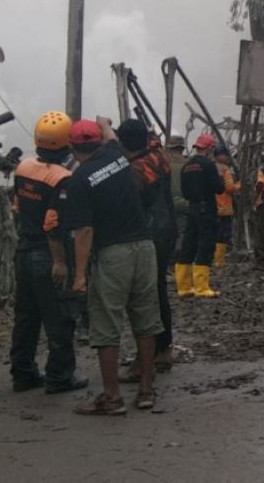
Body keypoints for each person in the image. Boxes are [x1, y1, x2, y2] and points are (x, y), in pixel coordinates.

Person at [64, 118, 162, 415]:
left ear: (72, 147)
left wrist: (79, 276)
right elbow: (109, 133)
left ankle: (112, 398)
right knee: (146, 322)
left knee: (107, 327)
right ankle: (146, 391)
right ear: (99, 141)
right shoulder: (116, 154)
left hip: (113, 254)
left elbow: (84, 233)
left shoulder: (80, 180)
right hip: (145, 249)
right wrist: (104, 122)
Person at [9, 111, 87, 395]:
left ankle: (23, 372)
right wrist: (60, 262)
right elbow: (52, 224)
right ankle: (60, 376)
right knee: (60, 317)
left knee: (26, 316)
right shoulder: (62, 178)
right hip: (47, 253)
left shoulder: (23, 167)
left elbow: (18, 207)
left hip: (24, 250)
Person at [115, 119, 176, 378]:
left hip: (148, 235)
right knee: (158, 290)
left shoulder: (134, 171)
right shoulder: (159, 158)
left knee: (144, 297)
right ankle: (163, 349)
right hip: (167, 230)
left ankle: (146, 358)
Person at [176, 133, 226, 298]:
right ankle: (201, 287)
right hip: (207, 209)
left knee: (188, 245)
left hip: (192, 208)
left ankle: (183, 286)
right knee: (205, 244)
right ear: (210, 148)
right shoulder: (208, 165)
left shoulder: (186, 166)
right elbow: (219, 188)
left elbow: (184, 191)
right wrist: (220, 178)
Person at [212, 146, 240, 268]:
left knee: (214, 233)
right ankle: (219, 260)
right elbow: (229, 188)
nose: (227, 158)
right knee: (222, 234)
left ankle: (213, 259)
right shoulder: (225, 169)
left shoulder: (210, 167)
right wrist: (239, 185)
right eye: (225, 155)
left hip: (212, 206)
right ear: (219, 156)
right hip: (224, 206)